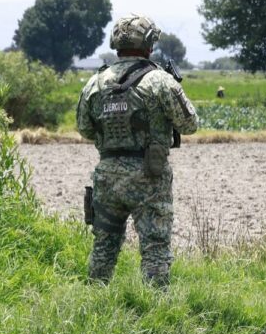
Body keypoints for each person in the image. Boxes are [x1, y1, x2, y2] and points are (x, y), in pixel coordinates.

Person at [76, 14, 199, 286]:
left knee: (103, 248)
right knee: (155, 249)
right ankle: (156, 312)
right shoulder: (160, 81)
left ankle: (94, 301)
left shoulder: (94, 83)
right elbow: (190, 124)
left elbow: (84, 128)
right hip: (149, 176)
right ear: (148, 46)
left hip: (107, 176)